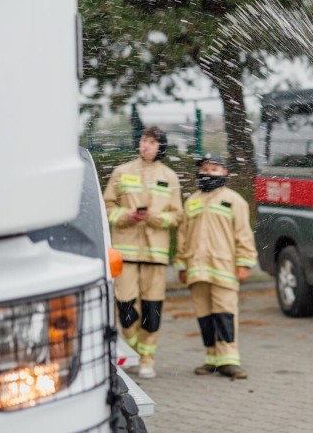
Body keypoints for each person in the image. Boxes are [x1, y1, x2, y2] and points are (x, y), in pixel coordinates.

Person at [104, 126, 183, 379]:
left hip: (155, 252)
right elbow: (106, 207)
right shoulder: (122, 172)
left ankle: (147, 357)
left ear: (161, 147)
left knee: (152, 307)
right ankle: (132, 345)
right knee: (125, 305)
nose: (145, 146)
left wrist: (155, 217)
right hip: (125, 251)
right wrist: (127, 216)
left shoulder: (169, 176)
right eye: (143, 140)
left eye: (151, 142)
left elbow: (177, 215)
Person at [174, 153, 258, 379]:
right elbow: (183, 237)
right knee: (204, 315)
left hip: (224, 269)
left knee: (225, 313)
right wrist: (182, 265)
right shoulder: (191, 201)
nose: (207, 173)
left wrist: (245, 263)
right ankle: (211, 358)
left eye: (213, 169)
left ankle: (229, 360)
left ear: (224, 173)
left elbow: (244, 235)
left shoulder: (234, 201)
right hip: (196, 270)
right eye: (204, 168)